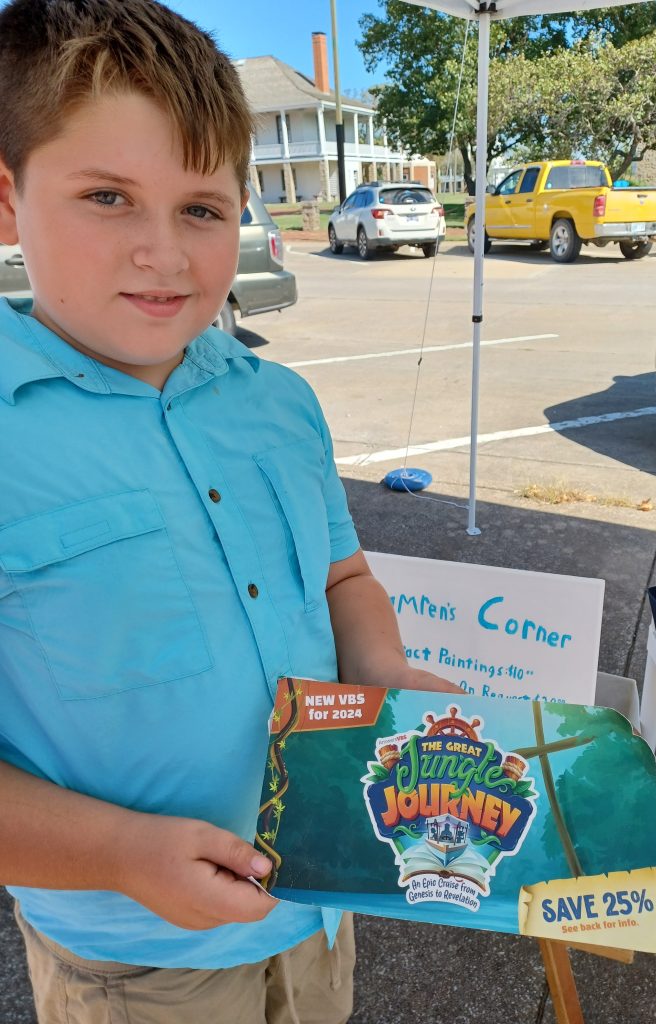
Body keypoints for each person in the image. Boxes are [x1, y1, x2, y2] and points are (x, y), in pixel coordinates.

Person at [0, 2, 455, 1021]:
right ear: (8, 200)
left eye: (203, 209)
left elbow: (341, 575)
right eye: (108, 197)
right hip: (137, 964)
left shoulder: (281, 402)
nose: (164, 253)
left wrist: (381, 669)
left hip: (321, 907)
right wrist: (121, 855)